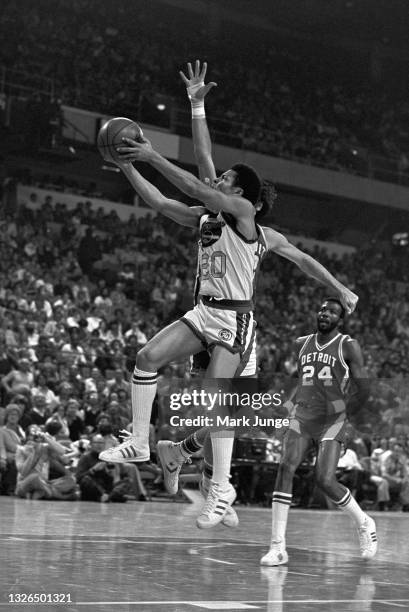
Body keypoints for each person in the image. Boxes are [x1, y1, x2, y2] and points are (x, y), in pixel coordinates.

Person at [101, 64, 357, 529]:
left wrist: (339, 288)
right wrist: (136, 157)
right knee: (146, 358)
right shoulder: (208, 216)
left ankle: (219, 486)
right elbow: (164, 200)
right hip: (205, 312)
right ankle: (142, 443)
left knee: (217, 401)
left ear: (242, 195)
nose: (216, 182)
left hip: (237, 321)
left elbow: (300, 258)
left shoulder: (243, 216)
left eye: (224, 181)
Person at [260, 298, 376, 565]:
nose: (325, 313)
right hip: (303, 415)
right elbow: (302, 381)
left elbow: (365, 389)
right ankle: (277, 547)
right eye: (322, 309)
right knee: (285, 467)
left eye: (332, 312)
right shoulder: (302, 343)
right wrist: (287, 406)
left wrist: (345, 416)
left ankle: (364, 522)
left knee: (324, 480)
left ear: (340, 319)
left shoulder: (348, 345)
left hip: (332, 418)